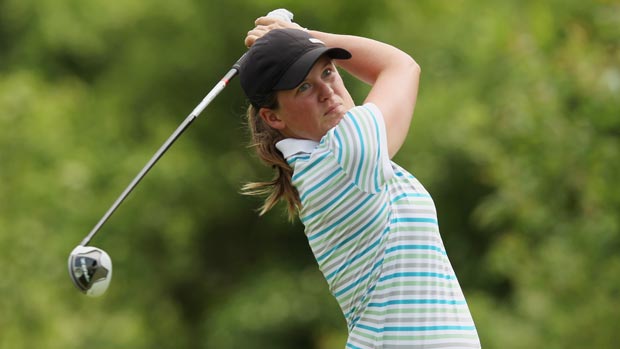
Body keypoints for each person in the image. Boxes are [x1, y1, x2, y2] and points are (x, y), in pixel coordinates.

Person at [239, 15, 481, 349]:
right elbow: (401, 66)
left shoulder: (332, 160)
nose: (327, 91)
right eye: (304, 87)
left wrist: (299, 39)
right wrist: (305, 34)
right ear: (273, 117)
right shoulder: (345, 154)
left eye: (327, 71)